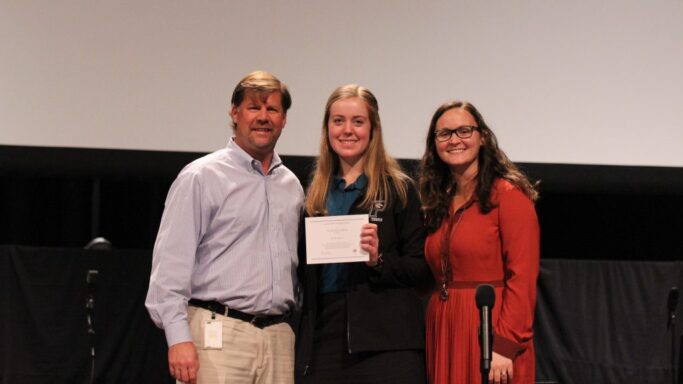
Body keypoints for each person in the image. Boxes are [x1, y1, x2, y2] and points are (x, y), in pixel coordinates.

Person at [145, 70, 304, 384]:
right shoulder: (201, 177)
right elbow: (170, 267)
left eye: (272, 109)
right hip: (217, 335)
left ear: (284, 119)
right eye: (253, 107)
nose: (263, 117)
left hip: (278, 338)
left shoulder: (292, 186)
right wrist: (178, 338)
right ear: (235, 113)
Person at [295, 84, 433, 383]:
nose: (348, 130)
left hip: (388, 340)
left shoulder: (399, 189)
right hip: (325, 338)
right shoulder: (314, 196)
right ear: (327, 128)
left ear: (373, 129)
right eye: (338, 121)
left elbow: (422, 269)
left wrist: (378, 261)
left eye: (358, 121)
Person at [419, 101, 540, 384]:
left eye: (464, 131)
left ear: (482, 137)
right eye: (445, 134)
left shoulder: (508, 196)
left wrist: (505, 345)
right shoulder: (438, 200)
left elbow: (522, 278)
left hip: (490, 330)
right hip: (446, 328)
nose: (454, 140)